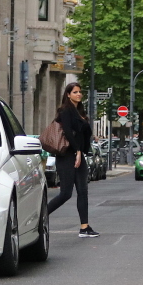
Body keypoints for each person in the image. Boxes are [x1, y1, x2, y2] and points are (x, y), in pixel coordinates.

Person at [46, 82, 98, 237]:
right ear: (68, 94)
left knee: (83, 191)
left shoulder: (79, 112)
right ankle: (40, 217)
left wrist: (80, 152)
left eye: (80, 92)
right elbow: (68, 132)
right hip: (67, 156)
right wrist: (77, 151)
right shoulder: (65, 111)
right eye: (75, 92)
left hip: (79, 154)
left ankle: (84, 227)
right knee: (66, 193)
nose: (79, 94)